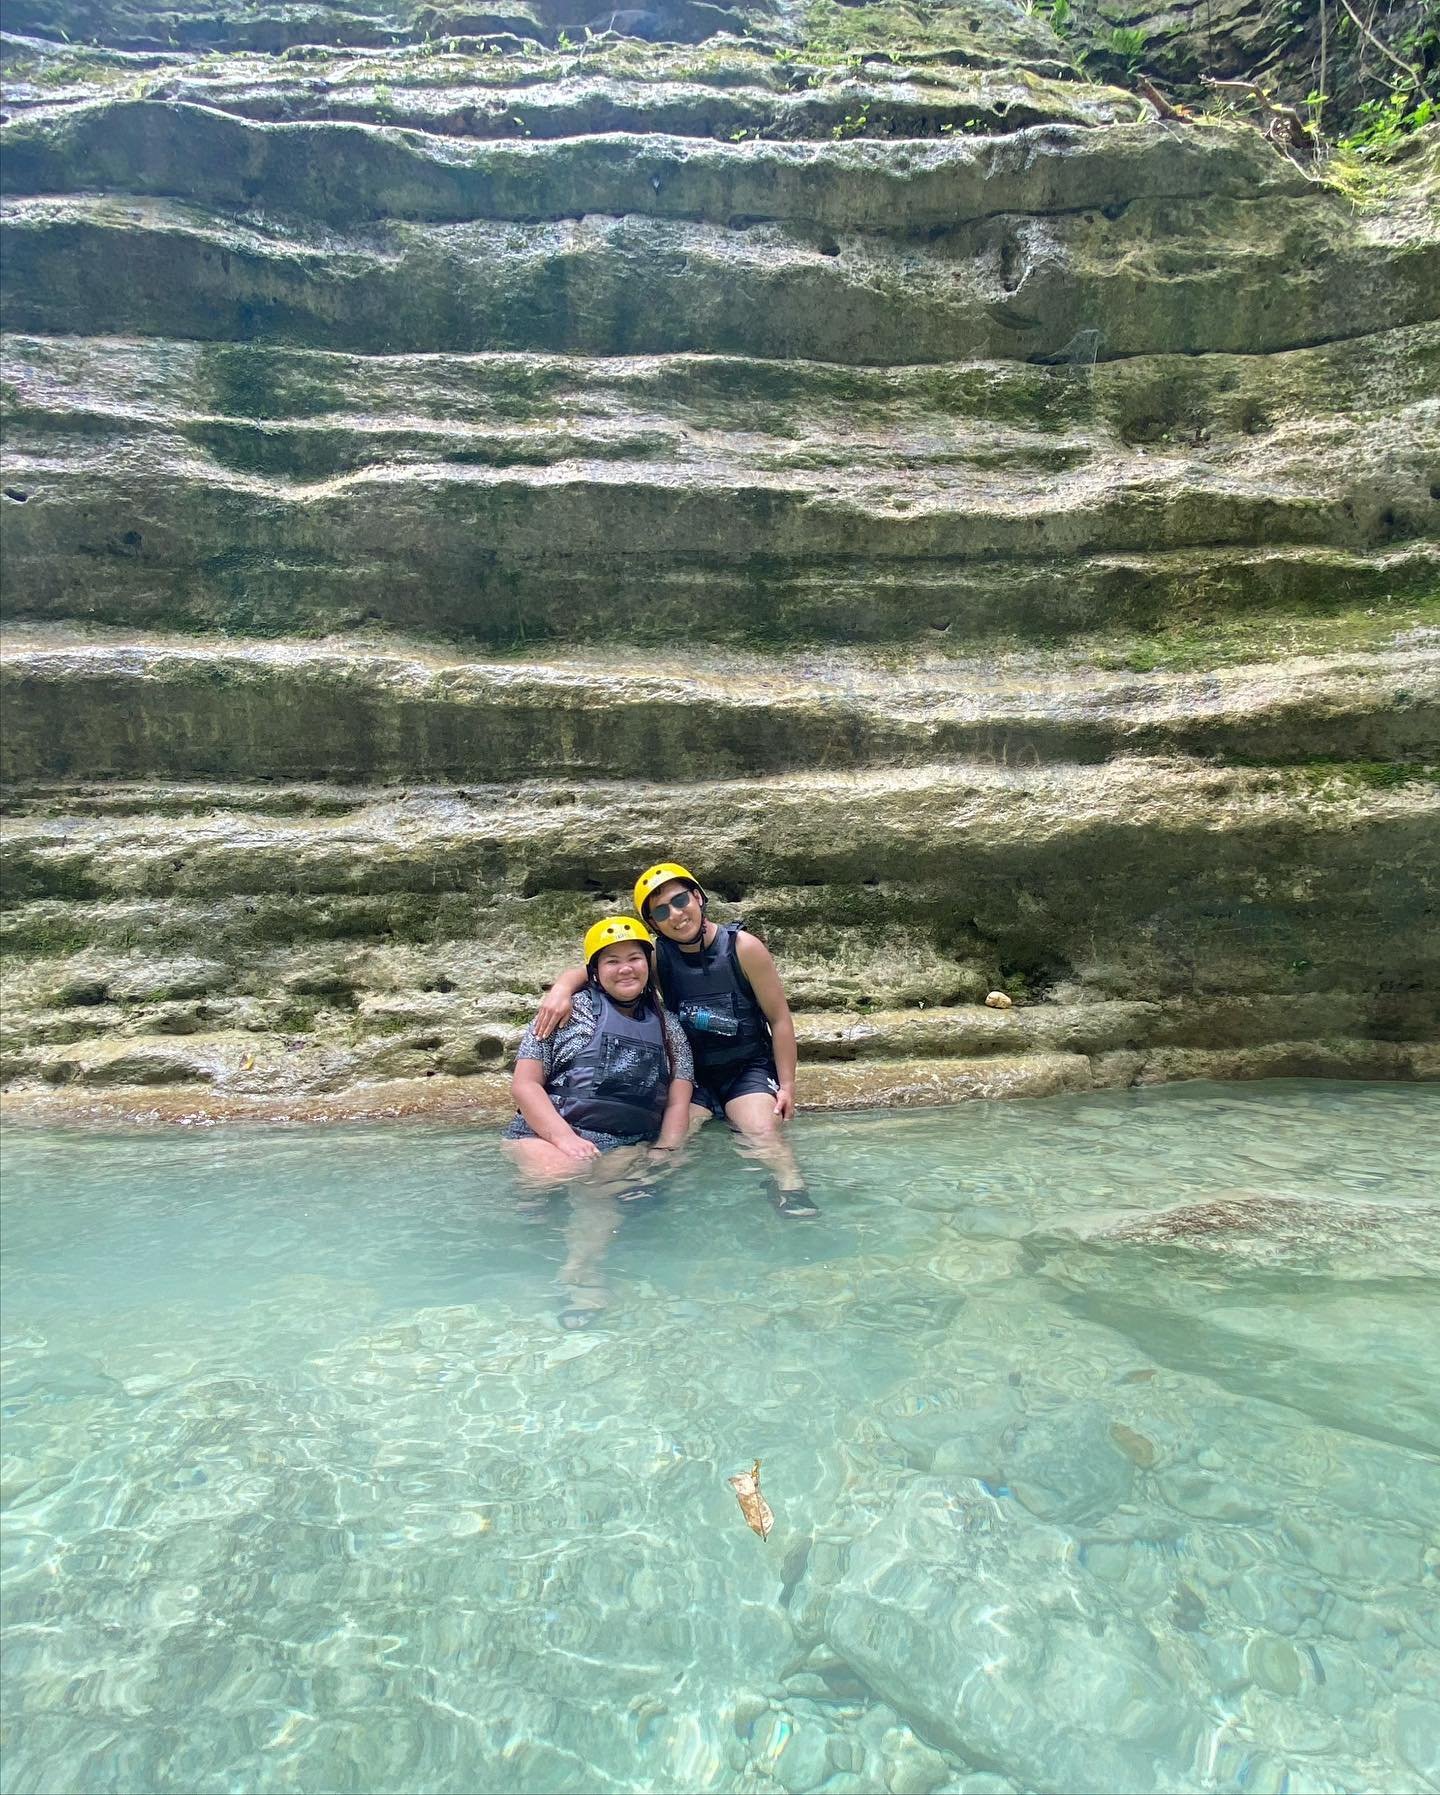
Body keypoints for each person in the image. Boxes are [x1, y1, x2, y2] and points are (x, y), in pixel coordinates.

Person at [533, 863, 817, 1218]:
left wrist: (787, 1086)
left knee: (760, 1132)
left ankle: (791, 1186)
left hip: (747, 1069)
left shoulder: (743, 947)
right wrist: (561, 989)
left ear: (697, 896)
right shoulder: (656, 958)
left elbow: (779, 1019)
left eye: (680, 900)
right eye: (662, 911)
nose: (677, 915)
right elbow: (597, 967)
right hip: (692, 1076)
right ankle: (644, 1191)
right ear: (653, 924)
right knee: (669, 1141)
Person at [503, 916, 694, 1327]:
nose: (625, 968)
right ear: (594, 971)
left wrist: (665, 1152)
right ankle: (540, 1221)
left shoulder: (670, 1028)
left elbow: (679, 1099)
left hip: (622, 1141)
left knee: (598, 1184)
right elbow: (525, 1086)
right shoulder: (564, 1013)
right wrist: (564, 1138)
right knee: (564, 1172)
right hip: (547, 1131)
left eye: (634, 958)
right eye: (612, 961)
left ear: (648, 965)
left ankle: (578, 1274)